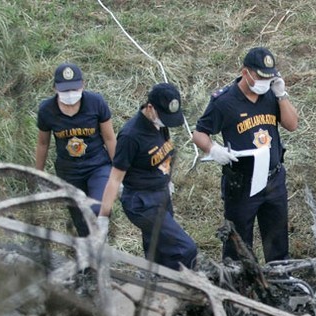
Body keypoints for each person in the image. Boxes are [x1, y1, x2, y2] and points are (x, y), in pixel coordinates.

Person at [192, 47, 299, 263]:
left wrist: (281, 94)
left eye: (269, 78)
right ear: (245, 72)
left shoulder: (271, 95)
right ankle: (238, 286)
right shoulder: (224, 102)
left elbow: (292, 125)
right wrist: (213, 149)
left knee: (277, 240)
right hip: (242, 183)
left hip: (273, 179)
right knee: (238, 244)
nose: (265, 82)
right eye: (260, 77)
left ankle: (279, 281)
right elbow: (199, 133)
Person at [97, 82, 198, 271]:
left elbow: (164, 153)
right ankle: (186, 286)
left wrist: (167, 181)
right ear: (150, 108)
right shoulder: (130, 136)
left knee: (159, 250)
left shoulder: (159, 124)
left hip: (161, 194)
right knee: (185, 249)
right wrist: (103, 217)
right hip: (142, 202)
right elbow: (114, 178)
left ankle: (158, 287)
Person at [36, 62, 116, 236]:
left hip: (97, 165)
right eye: (64, 91)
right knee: (81, 221)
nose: (70, 95)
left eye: (74, 89)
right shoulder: (46, 110)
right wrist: (39, 174)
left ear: (83, 85)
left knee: (97, 209)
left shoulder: (96, 103)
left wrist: (120, 172)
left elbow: (109, 138)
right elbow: (43, 143)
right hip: (68, 171)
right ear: (55, 89)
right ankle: (90, 256)